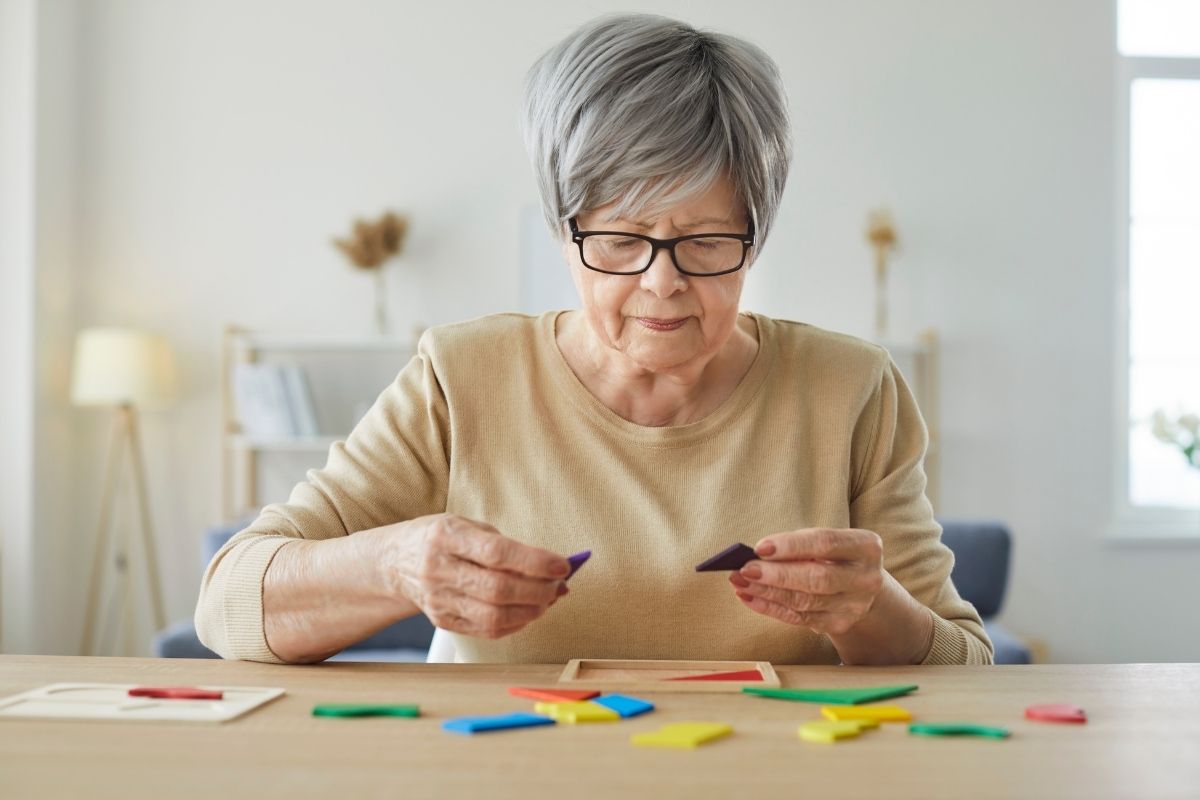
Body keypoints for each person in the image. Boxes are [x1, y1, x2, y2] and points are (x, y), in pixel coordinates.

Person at [195, 13, 992, 667]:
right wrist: (393, 563)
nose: (661, 283)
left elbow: (967, 667)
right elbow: (226, 608)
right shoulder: (462, 375)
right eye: (618, 238)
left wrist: (869, 606)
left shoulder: (851, 387)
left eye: (708, 240)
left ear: (759, 230)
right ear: (561, 225)